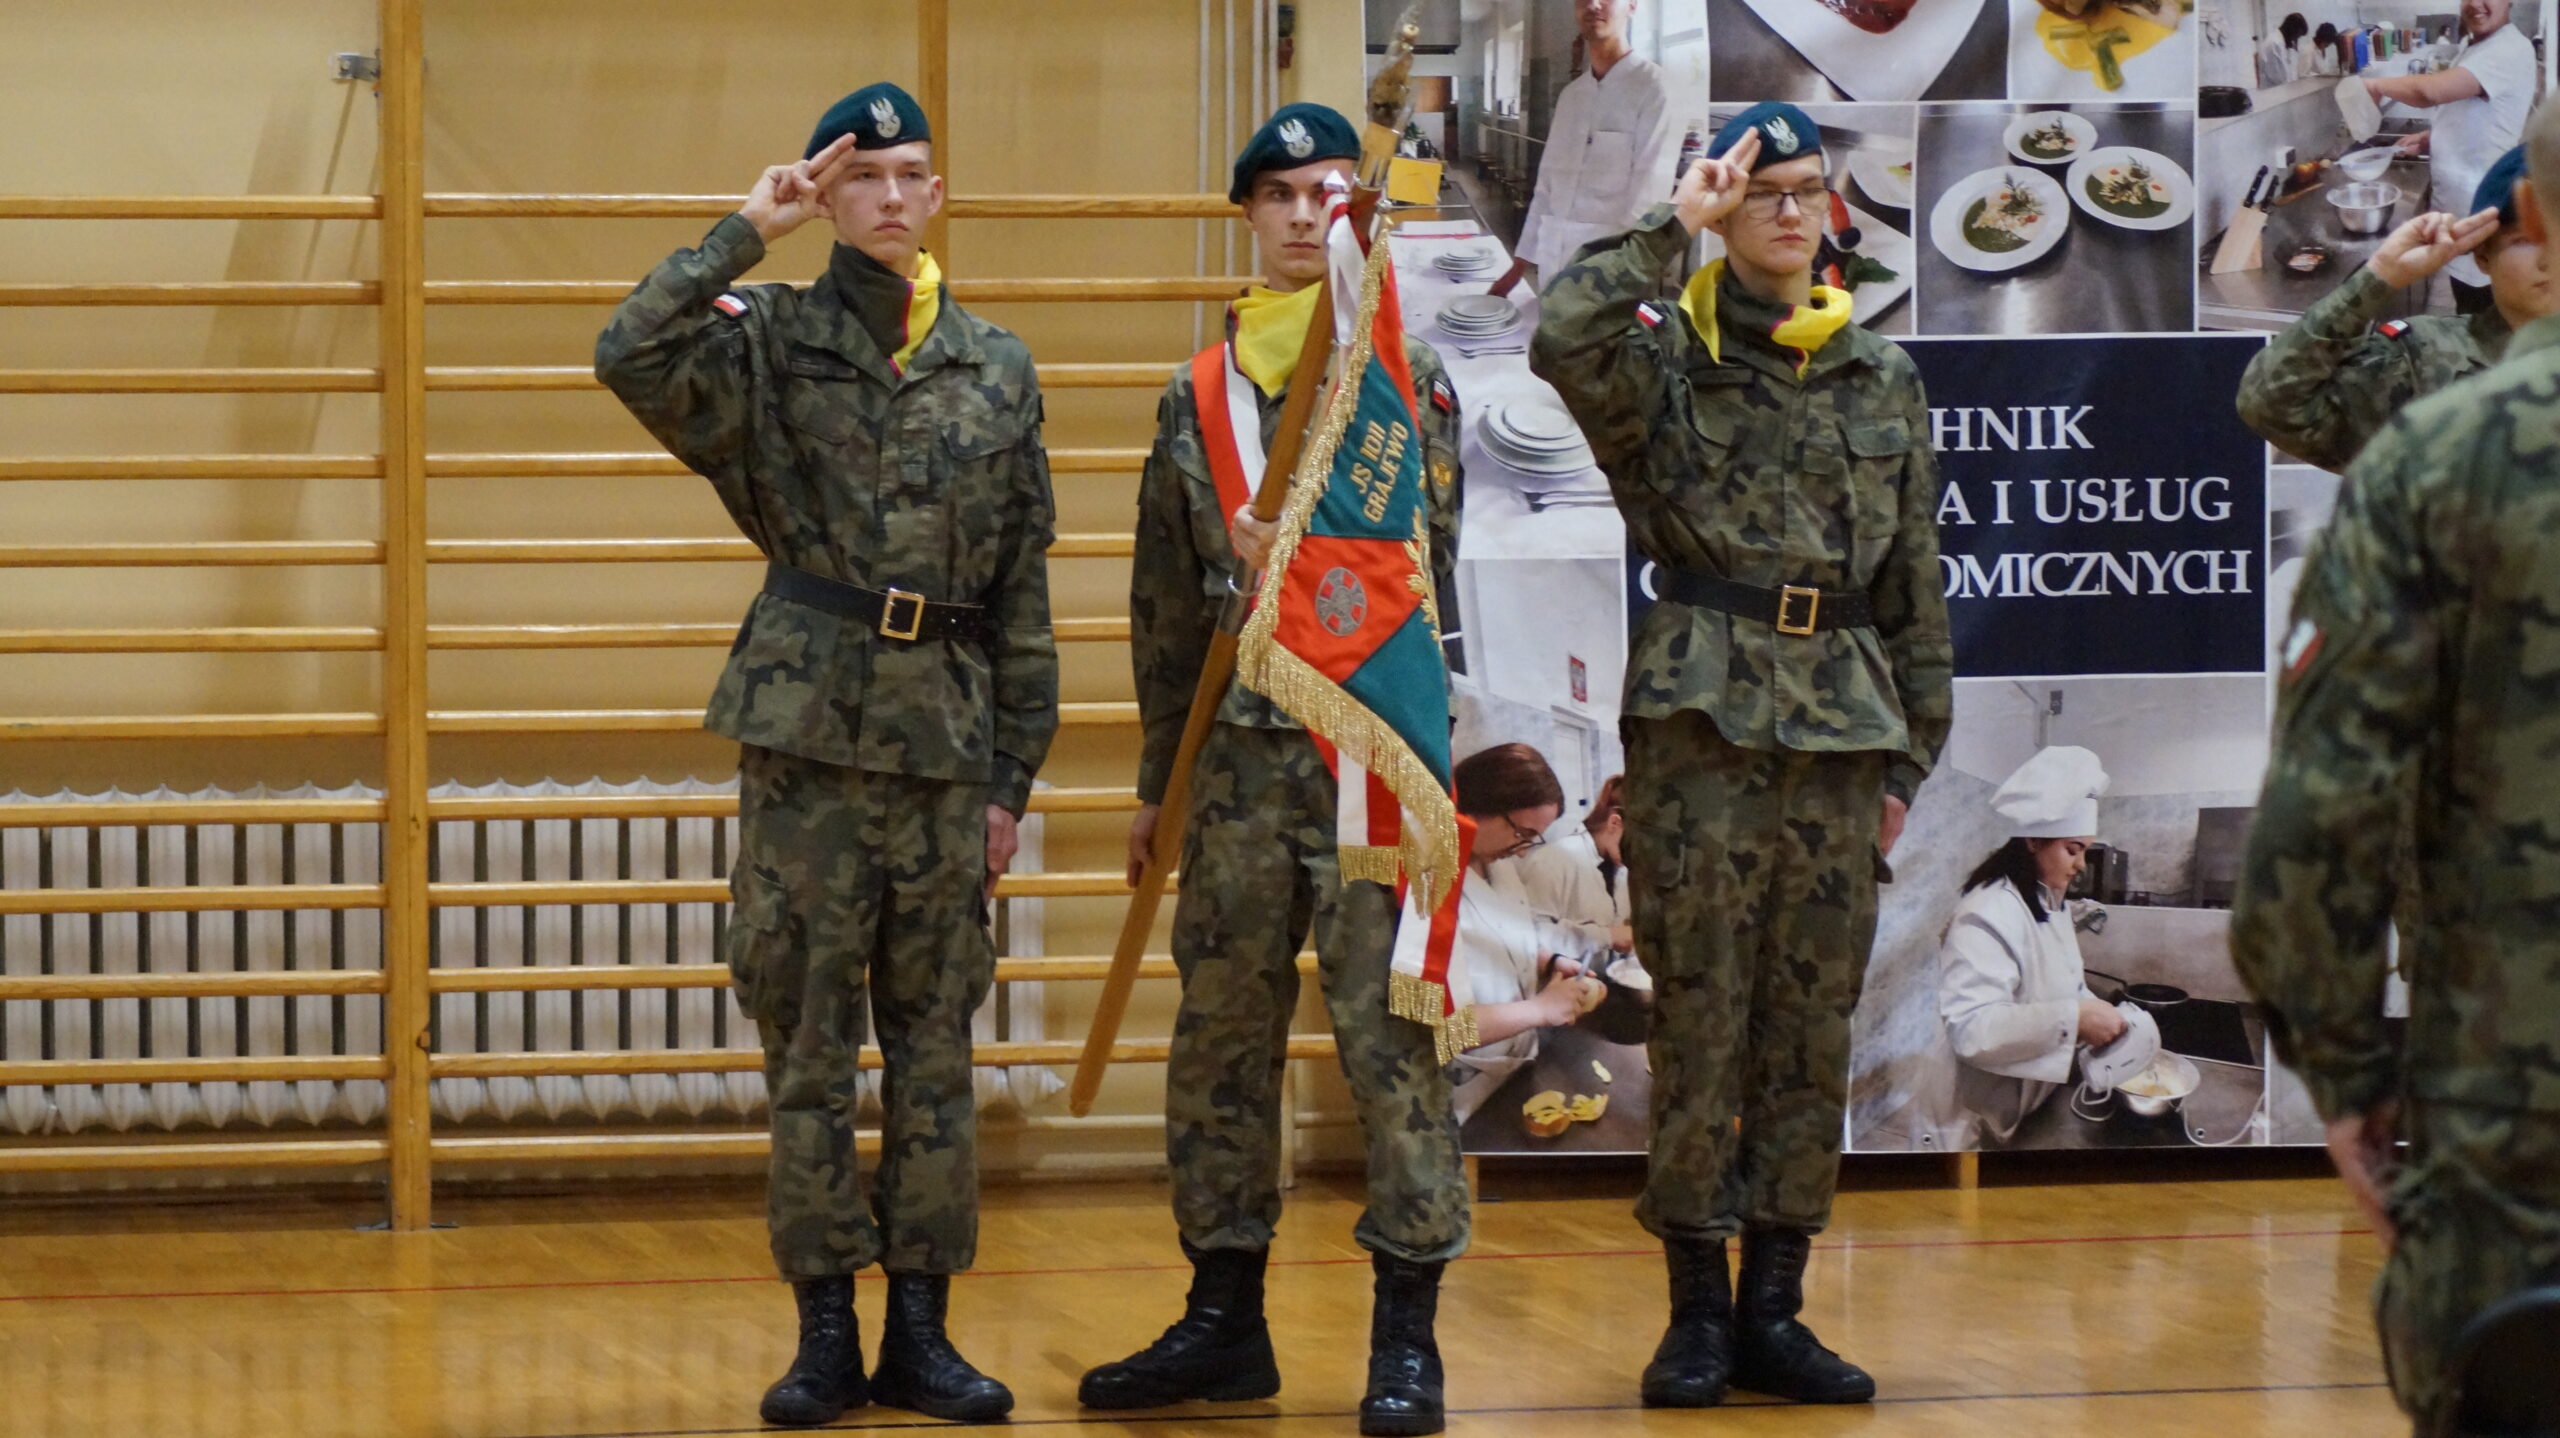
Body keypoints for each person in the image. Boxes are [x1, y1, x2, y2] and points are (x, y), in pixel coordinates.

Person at [593, 83, 1055, 1428]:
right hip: (806, 742)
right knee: (806, 1044)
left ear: (939, 194)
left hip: (945, 751)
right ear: (830, 196)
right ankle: (822, 1335)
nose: (890, 197)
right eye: (863, 177)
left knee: (934, 1050)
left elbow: (1023, 590)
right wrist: (748, 229)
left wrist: (1012, 779)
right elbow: (626, 351)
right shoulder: (768, 342)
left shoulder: (996, 365)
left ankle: (923, 1333)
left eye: (910, 174)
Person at [1531, 102, 1952, 1410]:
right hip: (1703, 727)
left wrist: (1908, 762)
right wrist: (1675, 218)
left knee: (1809, 1027)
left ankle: (1777, 1304)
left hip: (1842, 735)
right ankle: (1697, 1312)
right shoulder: (1664, 359)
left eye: (1805, 189)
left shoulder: (1879, 376)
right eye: (1760, 190)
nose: (1786, 209)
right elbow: (1561, 333)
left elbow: (1914, 584)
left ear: (1832, 208)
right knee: (1703, 1017)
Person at [1081, 102, 1470, 1438]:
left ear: (1355, 215)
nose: (1307, 215)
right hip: (1239, 774)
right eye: (1283, 196)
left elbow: (1427, 565)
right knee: (1220, 1043)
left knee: (1392, 1045)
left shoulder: (1403, 375)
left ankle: (1407, 1336)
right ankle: (1223, 1318)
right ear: (1248, 214)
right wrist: (1159, 782)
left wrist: (1300, 555)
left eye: (1329, 194)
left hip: (1365, 756)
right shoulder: (1195, 395)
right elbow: (1161, 606)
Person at [2230, 98, 2560, 1433]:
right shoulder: (2424, 370)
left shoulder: (2447, 453)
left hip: (2517, 1047)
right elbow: (2272, 397)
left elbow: (2315, 816)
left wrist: (2344, 1077)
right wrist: (2376, 282)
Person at [2236, 145, 2547, 471]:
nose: (2551, 257)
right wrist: (2379, 276)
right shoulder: (2424, 360)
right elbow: (2270, 405)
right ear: (2483, 255)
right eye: (2526, 239)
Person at [1937, 748, 2122, 1148]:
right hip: (1985, 1116)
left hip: (2035, 1100)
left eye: (2085, 851)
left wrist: (2107, 1016)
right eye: (2073, 849)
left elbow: (2069, 984)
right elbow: (1970, 1028)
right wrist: (2075, 1020)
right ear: (2034, 840)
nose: (2081, 865)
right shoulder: (1986, 912)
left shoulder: (2049, 903)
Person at [1441, 744, 1605, 1123]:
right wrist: (1540, 1009)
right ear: (1477, 804)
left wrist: (1550, 961)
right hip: (1463, 1086)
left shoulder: (1500, 866)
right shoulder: (1430, 882)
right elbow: (1441, 1027)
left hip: (1514, 1064)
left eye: (1533, 838)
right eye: (1521, 833)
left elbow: (1505, 939)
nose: (1521, 850)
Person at [1491, 0, 1677, 297]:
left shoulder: (1655, 88)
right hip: (1554, 266)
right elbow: (1546, 188)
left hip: (1607, 274)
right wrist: (1517, 269)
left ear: (1631, 5)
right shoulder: (1571, 96)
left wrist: (1620, 281)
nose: (1593, 4)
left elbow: (1648, 202)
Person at [2362, 0, 2536, 312]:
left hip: (2481, 214)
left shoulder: (2509, 48)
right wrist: (2430, 138)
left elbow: (2430, 92)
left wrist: (2374, 86)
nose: (2475, 4)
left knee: (2479, 310)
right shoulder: (2473, 45)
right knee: (2466, 303)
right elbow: (2471, 112)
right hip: (2462, 215)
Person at [2258, 13, 2308, 86]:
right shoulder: (2274, 44)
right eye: (2297, 36)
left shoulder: (2283, 42)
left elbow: (2291, 72)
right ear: (2292, 30)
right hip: (2274, 90)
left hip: (2284, 88)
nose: (2295, 40)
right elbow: (2278, 78)